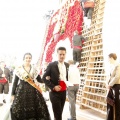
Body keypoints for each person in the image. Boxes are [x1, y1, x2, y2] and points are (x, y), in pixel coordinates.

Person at [11, 53, 51, 120]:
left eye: (29, 58)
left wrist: (46, 79)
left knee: (34, 107)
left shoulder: (34, 69)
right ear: (23, 59)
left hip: (33, 91)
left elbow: (39, 80)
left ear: (31, 59)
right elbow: (15, 82)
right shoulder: (19, 69)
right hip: (22, 90)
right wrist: (12, 94)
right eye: (26, 58)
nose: (28, 59)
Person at [43, 47, 69, 120]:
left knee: (60, 113)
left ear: (65, 54)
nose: (62, 56)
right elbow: (44, 78)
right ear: (57, 54)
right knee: (58, 115)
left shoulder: (67, 65)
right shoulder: (51, 65)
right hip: (54, 93)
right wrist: (53, 87)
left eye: (63, 54)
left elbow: (68, 77)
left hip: (63, 92)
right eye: (60, 54)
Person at [106, 53, 120, 120]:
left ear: (111, 58)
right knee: (109, 102)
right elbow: (110, 76)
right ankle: (109, 118)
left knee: (117, 105)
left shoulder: (118, 65)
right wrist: (108, 83)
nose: (108, 60)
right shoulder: (112, 66)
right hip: (112, 87)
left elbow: (117, 77)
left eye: (108, 58)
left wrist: (110, 84)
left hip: (117, 86)